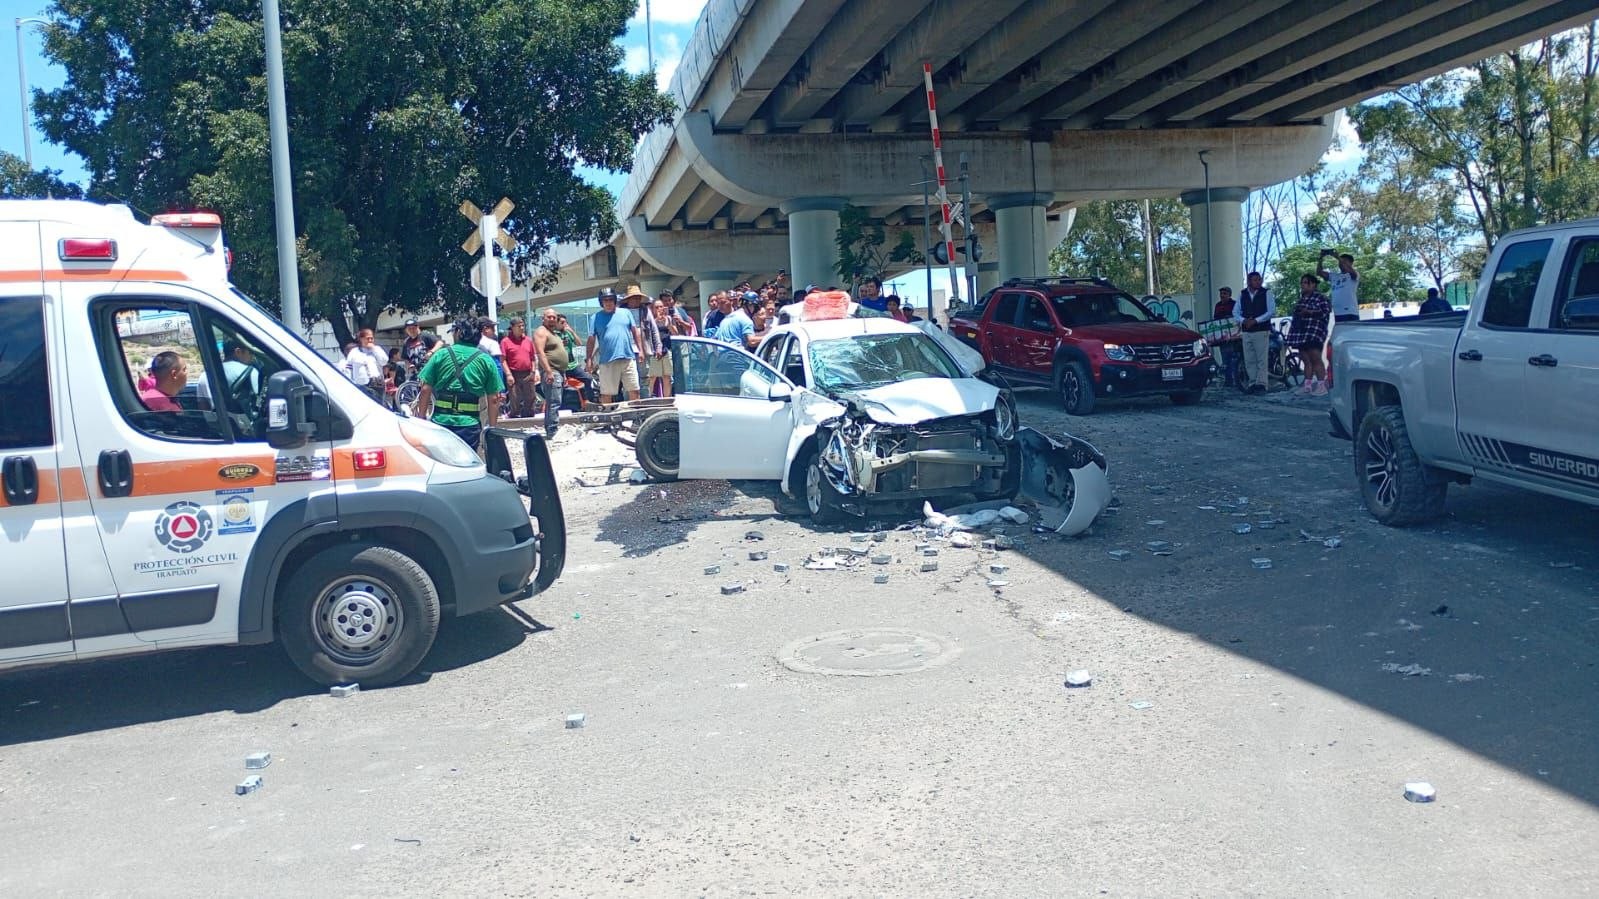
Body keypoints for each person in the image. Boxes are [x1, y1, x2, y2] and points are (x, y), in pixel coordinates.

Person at [416, 317, 505, 452]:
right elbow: (493, 399)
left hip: (441, 422)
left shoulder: (441, 355)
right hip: (469, 425)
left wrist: (422, 419)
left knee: (442, 461)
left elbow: (425, 389)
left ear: (458, 332)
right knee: (467, 462)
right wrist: (491, 429)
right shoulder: (485, 360)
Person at [585, 288, 646, 404]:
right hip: (607, 361)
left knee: (634, 390)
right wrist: (589, 359)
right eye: (605, 300)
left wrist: (641, 350)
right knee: (606, 393)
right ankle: (607, 414)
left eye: (610, 300)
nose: (608, 303)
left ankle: (636, 414)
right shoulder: (595, 317)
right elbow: (591, 339)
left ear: (614, 300)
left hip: (628, 358)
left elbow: (635, 331)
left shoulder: (626, 313)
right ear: (601, 302)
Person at [1286, 273, 1331, 396]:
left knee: (1315, 357)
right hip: (1301, 332)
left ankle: (1321, 385)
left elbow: (1325, 312)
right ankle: (1307, 386)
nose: (1303, 285)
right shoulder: (1301, 299)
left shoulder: (1321, 297)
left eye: (1305, 282)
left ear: (1313, 284)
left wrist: (1309, 312)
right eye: (1302, 283)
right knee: (1305, 359)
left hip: (1314, 331)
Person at [1234, 272, 1273, 395]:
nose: (1258, 282)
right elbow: (1235, 312)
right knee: (1249, 359)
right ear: (1249, 281)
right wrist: (1244, 320)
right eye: (1255, 280)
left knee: (1261, 359)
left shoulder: (1266, 293)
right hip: (1246, 331)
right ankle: (1252, 383)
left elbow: (1271, 311)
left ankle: (1262, 384)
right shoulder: (1242, 294)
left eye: (1259, 279)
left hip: (1261, 330)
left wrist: (1256, 320)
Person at [532, 309, 568, 437]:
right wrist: (548, 371)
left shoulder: (554, 333)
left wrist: (564, 373)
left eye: (554, 317)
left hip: (559, 371)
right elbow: (540, 352)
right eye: (549, 317)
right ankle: (552, 429)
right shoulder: (541, 332)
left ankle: (551, 427)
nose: (552, 319)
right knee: (554, 401)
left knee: (555, 401)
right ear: (543, 318)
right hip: (551, 370)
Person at [500, 317, 538, 419]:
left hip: (528, 373)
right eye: (519, 326)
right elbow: (503, 360)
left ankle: (529, 417)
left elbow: (533, 358)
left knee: (530, 397)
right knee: (515, 398)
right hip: (513, 373)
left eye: (523, 326)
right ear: (512, 327)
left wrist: (533, 371)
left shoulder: (528, 340)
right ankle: (514, 416)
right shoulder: (505, 341)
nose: (522, 328)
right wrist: (508, 374)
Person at [1211, 286, 1242, 391]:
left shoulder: (1234, 304)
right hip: (1223, 337)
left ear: (1229, 294)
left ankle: (1237, 379)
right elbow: (1215, 319)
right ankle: (1229, 381)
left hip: (1234, 337)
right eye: (1221, 294)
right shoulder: (1218, 305)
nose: (1222, 295)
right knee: (1225, 359)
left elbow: (1238, 317)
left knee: (1235, 358)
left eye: (1224, 293)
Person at [642, 299, 674, 399]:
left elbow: (675, 333)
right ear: (652, 309)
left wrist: (668, 324)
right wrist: (656, 320)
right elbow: (650, 332)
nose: (659, 309)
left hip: (666, 349)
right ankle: (648, 397)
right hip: (654, 351)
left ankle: (667, 399)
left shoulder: (668, 318)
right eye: (656, 307)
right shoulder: (650, 319)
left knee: (667, 377)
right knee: (652, 377)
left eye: (661, 307)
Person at [345, 329, 388, 401]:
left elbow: (384, 361)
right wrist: (351, 382)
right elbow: (348, 369)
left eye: (372, 338)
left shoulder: (377, 349)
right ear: (361, 339)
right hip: (362, 384)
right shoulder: (354, 352)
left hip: (377, 384)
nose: (370, 340)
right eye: (368, 338)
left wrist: (373, 348)